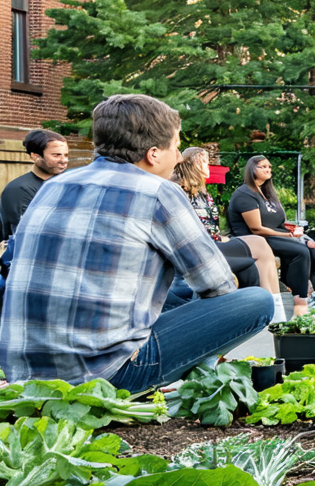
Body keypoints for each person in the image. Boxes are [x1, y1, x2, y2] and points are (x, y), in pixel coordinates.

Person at [0, 94, 272, 392]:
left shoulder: (51, 187)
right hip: (105, 375)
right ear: (153, 153)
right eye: (176, 146)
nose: (179, 156)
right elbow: (217, 285)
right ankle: (187, 380)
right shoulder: (158, 192)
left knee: (176, 292)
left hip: (24, 374)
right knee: (256, 302)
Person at [173, 148, 287, 321]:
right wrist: (217, 237)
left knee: (252, 266)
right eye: (204, 161)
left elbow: (210, 226)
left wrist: (219, 236)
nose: (208, 165)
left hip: (212, 243)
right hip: (198, 251)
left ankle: (262, 313)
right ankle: (275, 315)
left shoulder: (203, 194)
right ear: (194, 163)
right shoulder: (181, 192)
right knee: (260, 245)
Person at [228, 156, 315, 308]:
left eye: (269, 167)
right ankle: (301, 298)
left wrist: (293, 230)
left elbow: (278, 221)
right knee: (301, 250)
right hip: (253, 240)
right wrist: (288, 235)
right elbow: (256, 228)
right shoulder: (244, 194)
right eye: (262, 167)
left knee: (309, 249)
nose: (268, 169)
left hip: (271, 236)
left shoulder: (267, 193)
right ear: (251, 169)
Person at [1, 129, 68, 242]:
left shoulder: (70, 182)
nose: (64, 160)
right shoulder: (20, 189)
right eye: (56, 155)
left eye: (66, 155)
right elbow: (28, 233)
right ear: (35, 156)